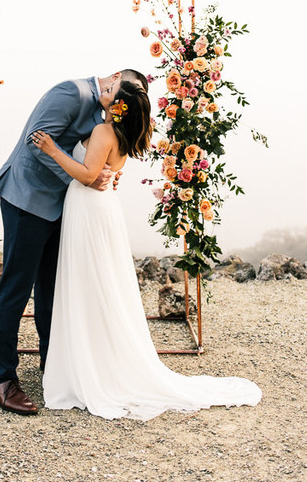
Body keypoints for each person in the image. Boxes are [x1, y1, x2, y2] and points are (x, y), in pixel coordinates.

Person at [32, 80, 263, 421]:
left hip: (90, 209)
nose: (105, 90)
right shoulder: (121, 133)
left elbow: (87, 174)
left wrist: (53, 149)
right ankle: (92, 358)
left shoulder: (103, 132)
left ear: (118, 106)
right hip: (101, 209)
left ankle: (90, 365)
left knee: (88, 283)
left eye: (112, 92)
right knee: (99, 284)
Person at [0, 69, 148, 415]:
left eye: (124, 101)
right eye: (121, 92)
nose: (118, 103)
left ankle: (53, 366)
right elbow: (37, 141)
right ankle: (1, 378)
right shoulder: (70, 93)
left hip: (64, 208)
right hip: (27, 200)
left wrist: (105, 173)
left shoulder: (105, 113)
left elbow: (101, 151)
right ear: (116, 76)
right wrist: (85, 179)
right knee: (16, 289)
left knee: (53, 290)